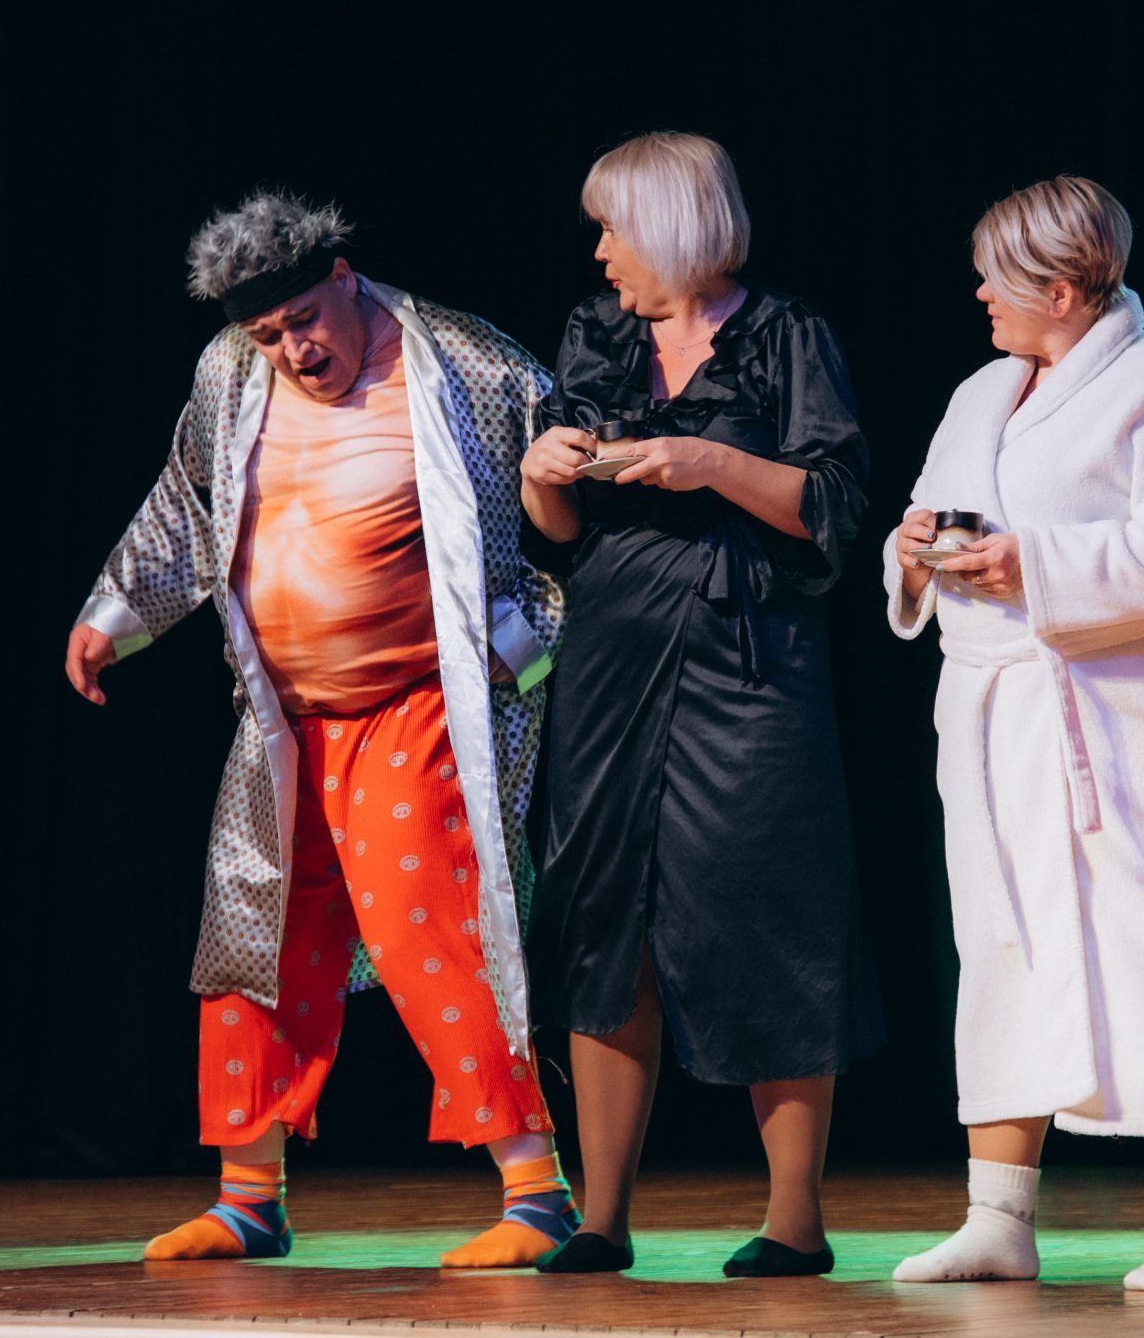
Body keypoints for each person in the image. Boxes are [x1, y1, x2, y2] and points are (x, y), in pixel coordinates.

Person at [65, 191, 577, 1270]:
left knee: (432, 931)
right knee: (249, 941)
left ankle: (537, 1196)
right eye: (267, 334)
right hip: (283, 717)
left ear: (344, 277)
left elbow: (574, 516)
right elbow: (189, 502)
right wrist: (114, 615)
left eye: (303, 319)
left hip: (418, 704)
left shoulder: (465, 362)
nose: (293, 350)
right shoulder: (228, 371)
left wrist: (525, 646)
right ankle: (249, 1198)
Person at [882, 177, 1144, 1290]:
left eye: (998, 279)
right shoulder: (982, 391)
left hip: (1120, 712)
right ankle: (997, 1217)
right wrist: (916, 550)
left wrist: (1039, 563)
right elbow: (927, 510)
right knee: (1004, 942)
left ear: (1062, 291)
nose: (980, 295)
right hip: (997, 713)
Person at [519, 131, 878, 1278]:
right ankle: (601, 1218)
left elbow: (834, 505)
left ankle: (794, 1221)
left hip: (747, 652)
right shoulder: (596, 332)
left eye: (613, 228)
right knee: (603, 916)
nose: (601, 251)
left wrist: (709, 463)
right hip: (612, 650)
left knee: (767, 910)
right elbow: (559, 535)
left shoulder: (786, 334)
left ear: (670, 226)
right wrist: (540, 475)